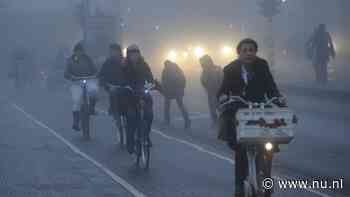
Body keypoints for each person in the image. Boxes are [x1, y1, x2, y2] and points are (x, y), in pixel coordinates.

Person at [217, 38, 285, 197]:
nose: (248, 53)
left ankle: (267, 182)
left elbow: (271, 86)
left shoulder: (262, 65)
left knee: (268, 148)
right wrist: (223, 97)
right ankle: (239, 185)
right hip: (239, 111)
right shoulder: (230, 69)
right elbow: (222, 90)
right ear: (239, 53)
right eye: (245, 50)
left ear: (255, 52)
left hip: (260, 110)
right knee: (241, 149)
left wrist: (278, 97)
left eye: (251, 50)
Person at [124, 44, 155, 154]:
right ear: (128, 55)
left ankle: (146, 135)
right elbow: (121, 79)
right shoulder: (124, 66)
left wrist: (151, 85)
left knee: (149, 115)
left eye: (136, 53)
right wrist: (125, 87)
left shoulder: (144, 65)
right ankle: (130, 142)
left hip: (143, 93)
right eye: (132, 53)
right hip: (130, 95)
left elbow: (150, 79)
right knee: (131, 118)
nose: (134, 55)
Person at [64, 43, 99, 131]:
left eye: (80, 51)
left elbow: (95, 69)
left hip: (88, 80)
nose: (79, 53)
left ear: (83, 52)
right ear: (74, 52)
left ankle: (92, 108)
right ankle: (76, 122)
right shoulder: (70, 60)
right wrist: (71, 77)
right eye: (77, 51)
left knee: (94, 90)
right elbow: (66, 73)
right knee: (76, 100)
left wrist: (95, 75)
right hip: (75, 82)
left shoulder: (88, 59)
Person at [160, 60, 191, 129]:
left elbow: (164, 81)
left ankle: (167, 120)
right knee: (180, 106)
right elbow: (183, 79)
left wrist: (164, 89)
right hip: (176, 91)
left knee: (167, 106)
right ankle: (187, 120)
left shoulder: (166, 70)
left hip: (171, 91)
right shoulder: (177, 69)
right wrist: (182, 89)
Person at [199, 55, 223, 126]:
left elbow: (221, 79)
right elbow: (203, 80)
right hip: (211, 91)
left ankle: (223, 121)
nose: (202, 65)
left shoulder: (217, 69)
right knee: (212, 108)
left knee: (219, 107)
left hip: (218, 91)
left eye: (203, 63)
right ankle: (215, 122)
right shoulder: (205, 71)